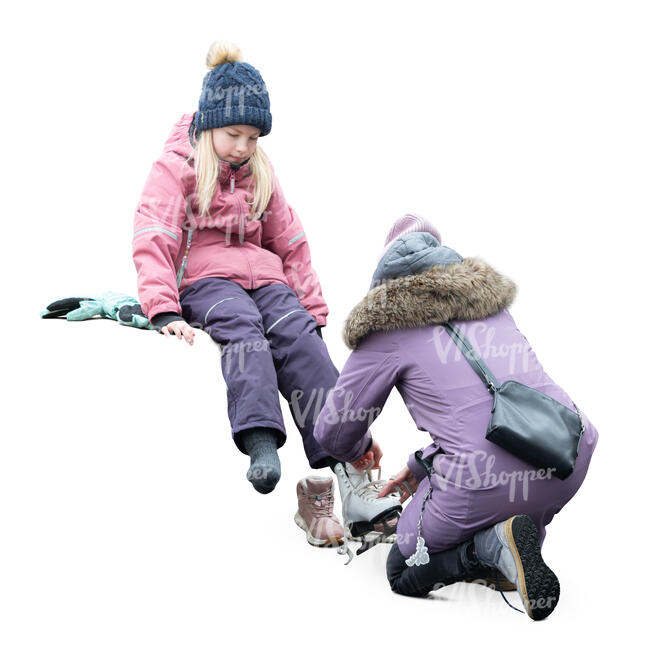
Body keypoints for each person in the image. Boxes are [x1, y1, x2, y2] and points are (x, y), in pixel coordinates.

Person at [131, 40, 401, 548]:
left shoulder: (261, 173)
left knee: (301, 341)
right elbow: (154, 236)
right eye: (234, 134)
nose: (243, 146)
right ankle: (261, 443)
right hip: (208, 282)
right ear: (209, 124)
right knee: (244, 331)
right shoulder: (177, 168)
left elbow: (291, 242)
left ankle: (348, 467)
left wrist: (313, 308)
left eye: (253, 137)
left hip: (268, 279)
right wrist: (162, 306)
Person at [313, 214, 599, 619]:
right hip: (569, 451)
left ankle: (491, 546)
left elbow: (333, 431)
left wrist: (360, 450)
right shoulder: (493, 308)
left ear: (385, 272)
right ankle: (511, 547)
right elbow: (498, 406)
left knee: (401, 568)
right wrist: (420, 466)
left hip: (480, 478)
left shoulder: (386, 329)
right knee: (505, 493)